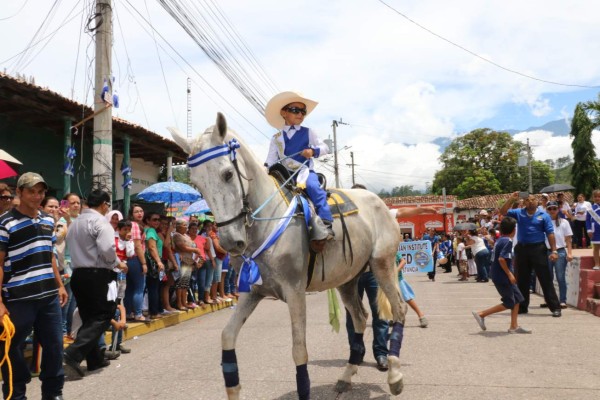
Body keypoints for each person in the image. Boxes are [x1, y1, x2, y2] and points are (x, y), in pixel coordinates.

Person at [0, 172, 68, 400]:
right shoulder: (5, 223)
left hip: (48, 295)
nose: (37, 196)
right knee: (11, 349)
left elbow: (49, 256)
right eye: (31, 191)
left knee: (55, 347)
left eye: (41, 191)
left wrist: (59, 285)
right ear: (19, 192)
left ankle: (53, 393)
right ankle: (15, 394)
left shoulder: (49, 220)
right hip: (18, 298)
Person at [63, 190, 126, 378]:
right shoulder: (100, 222)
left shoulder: (75, 224)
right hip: (97, 274)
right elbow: (107, 249)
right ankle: (72, 353)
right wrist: (117, 263)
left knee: (89, 316)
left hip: (79, 274)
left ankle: (94, 358)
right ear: (104, 204)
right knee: (104, 314)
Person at [264, 91, 334, 240]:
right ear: (284, 113)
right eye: (296, 110)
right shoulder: (276, 138)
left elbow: (326, 148)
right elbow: (270, 161)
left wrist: (312, 151)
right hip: (284, 176)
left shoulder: (309, 132)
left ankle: (326, 223)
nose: (300, 114)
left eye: (303, 111)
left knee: (314, 188)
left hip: (304, 173)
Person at [499, 192, 561, 317]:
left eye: (532, 199)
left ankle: (555, 307)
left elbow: (550, 233)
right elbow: (503, 211)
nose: (530, 202)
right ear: (524, 202)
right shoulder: (518, 212)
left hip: (538, 249)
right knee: (522, 279)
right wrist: (511, 199)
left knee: (545, 279)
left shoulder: (544, 215)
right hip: (522, 249)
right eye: (527, 200)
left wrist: (554, 251)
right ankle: (522, 307)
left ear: (537, 201)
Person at [472, 217, 531, 334]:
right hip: (502, 276)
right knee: (509, 302)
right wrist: (510, 274)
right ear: (514, 230)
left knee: (518, 298)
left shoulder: (501, 240)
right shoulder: (508, 241)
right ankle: (482, 314)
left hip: (500, 274)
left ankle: (514, 326)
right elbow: (501, 259)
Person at [544, 201, 573, 309]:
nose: (552, 211)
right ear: (547, 210)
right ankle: (549, 300)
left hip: (560, 250)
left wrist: (569, 252)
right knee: (548, 278)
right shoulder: (544, 222)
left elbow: (568, 239)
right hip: (547, 251)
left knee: (560, 277)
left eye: (554, 208)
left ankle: (562, 300)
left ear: (558, 209)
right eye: (550, 208)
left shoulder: (564, 222)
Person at [124, 204, 147, 321]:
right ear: (131, 214)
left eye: (141, 211)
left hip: (127, 260)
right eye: (136, 212)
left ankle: (128, 313)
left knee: (129, 288)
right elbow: (138, 246)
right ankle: (138, 313)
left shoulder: (129, 225)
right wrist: (143, 263)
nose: (140, 213)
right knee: (139, 287)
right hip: (135, 259)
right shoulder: (135, 226)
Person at [395, 255, 428, 327]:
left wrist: (396, 270)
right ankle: (394, 317)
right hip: (387, 280)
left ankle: (421, 316)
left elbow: (403, 261)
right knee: (390, 300)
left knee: (408, 298)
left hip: (398, 279)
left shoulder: (395, 252)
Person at [144, 212, 165, 319]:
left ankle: (153, 310)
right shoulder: (151, 231)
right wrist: (159, 261)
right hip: (153, 262)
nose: (157, 222)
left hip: (150, 262)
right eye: (154, 219)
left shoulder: (147, 230)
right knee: (153, 288)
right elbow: (152, 247)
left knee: (151, 287)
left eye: (158, 219)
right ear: (148, 220)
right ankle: (154, 312)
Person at [586, 189, 600, 270]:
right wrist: (589, 230)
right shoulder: (590, 208)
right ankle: (597, 264)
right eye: (595, 197)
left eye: (599, 196)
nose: (597, 198)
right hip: (595, 231)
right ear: (593, 198)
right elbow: (587, 220)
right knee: (596, 247)